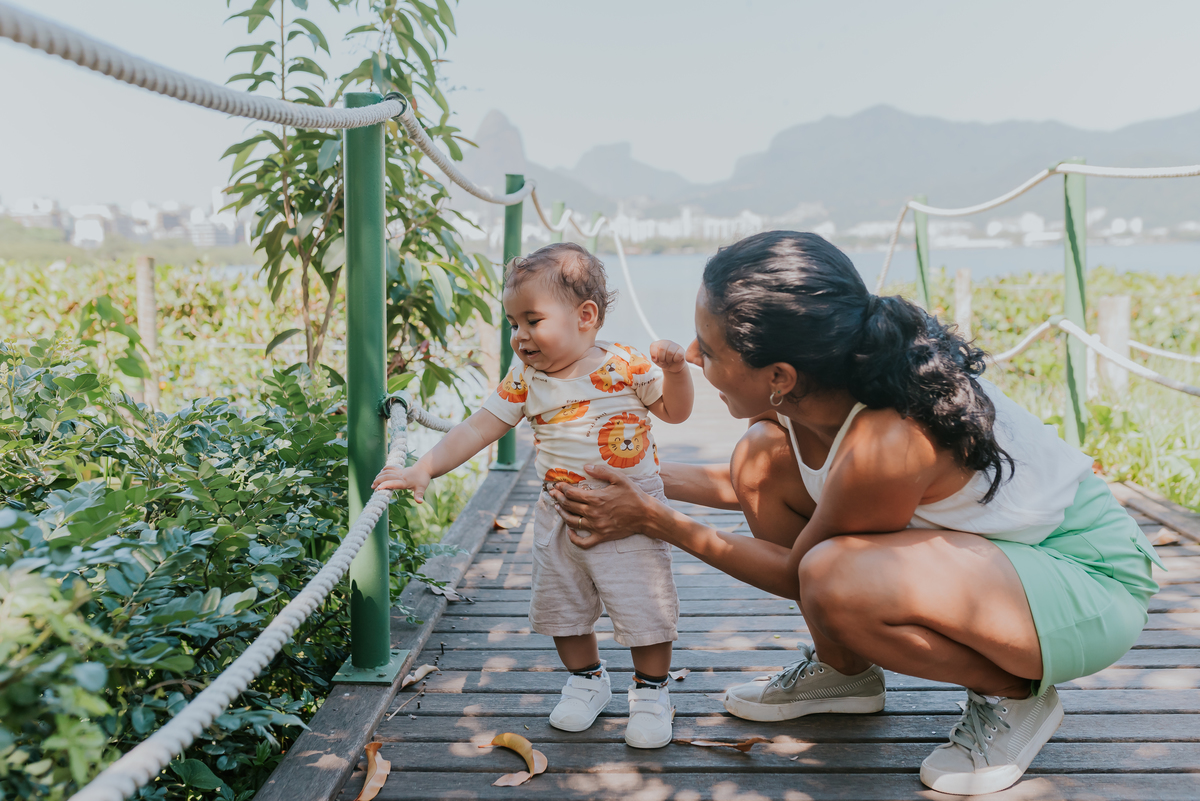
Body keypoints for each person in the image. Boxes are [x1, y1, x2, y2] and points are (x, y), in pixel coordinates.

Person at [547, 231, 1162, 795]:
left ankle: (1016, 696)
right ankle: (844, 674)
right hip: (1005, 563)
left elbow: (802, 573)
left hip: (1085, 583)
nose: (689, 354)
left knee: (833, 577)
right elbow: (773, 485)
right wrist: (639, 484)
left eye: (708, 348)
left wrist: (653, 519)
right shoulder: (817, 389)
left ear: (779, 377)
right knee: (760, 457)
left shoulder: (888, 440)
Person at [373, 242, 694, 749]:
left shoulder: (628, 365)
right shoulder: (526, 378)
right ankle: (587, 679)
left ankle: (652, 692)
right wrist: (425, 467)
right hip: (561, 511)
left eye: (532, 320)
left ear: (585, 316)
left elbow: (676, 413)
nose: (519, 336)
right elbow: (480, 427)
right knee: (562, 604)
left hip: (631, 511)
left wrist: (676, 373)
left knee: (643, 606)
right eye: (512, 323)